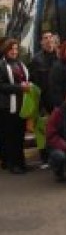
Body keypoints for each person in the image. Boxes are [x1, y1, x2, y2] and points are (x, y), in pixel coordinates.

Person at [0, 39, 31, 174]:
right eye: (11, 49)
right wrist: (19, 88)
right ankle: (13, 164)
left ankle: (21, 162)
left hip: (21, 105)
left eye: (16, 49)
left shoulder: (20, 64)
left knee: (20, 135)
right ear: (6, 50)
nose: (14, 51)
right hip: (7, 107)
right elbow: (1, 86)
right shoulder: (1, 65)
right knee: (10, 136)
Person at [29, 30, 58, 167]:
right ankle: (45, 159)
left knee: (57, 130)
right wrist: (40, 106)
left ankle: (57, 156)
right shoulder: (36, 59)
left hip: (58, 100)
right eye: (45, 38)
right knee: (43, 131)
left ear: (54, 39)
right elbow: (35, 84)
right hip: (44, 102)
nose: (48, 40)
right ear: (41, 42)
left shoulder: (59, 55)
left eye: (50, 37)